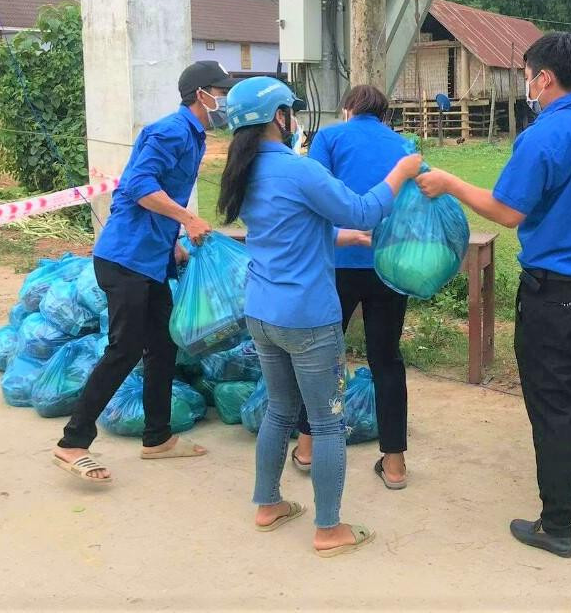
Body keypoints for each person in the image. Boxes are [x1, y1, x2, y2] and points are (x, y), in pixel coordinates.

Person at [417, 32, 571, 558]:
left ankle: (557, 524)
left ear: (543, 78)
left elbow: (507, 211)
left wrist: (451, 183)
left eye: (527, 75)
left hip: (555, 293)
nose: (526, 84)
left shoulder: (542, 137)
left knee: (553, 406)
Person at [216, 76, 421, 556]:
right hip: (307, 318)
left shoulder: (244, 171)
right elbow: (364, 210)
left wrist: (343, 238)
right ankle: (329, 530)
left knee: (280, 410)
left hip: (262, 312)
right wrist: (401, 172)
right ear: (279, 117)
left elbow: (287, 229)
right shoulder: (297, 169)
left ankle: (268, 504)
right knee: (328, 422)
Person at [52, 61, 233, 483]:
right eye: (220, 92)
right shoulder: (169, 131)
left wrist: (172, 242)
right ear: (201, 94)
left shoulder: (195, 136)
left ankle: (157, 437)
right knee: (126, 348)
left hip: (151, 260)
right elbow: (138, 187)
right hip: (125, 261)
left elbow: (150, 197)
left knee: (163, 345)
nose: (225, 100)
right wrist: (188, 219)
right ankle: (72, 443)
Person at [285, 85, 413, 490]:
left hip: (336, 263)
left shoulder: (330, 138)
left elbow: (313, 193)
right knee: (387, 360)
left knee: (321, 356)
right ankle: (395, 465)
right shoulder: (403, 145)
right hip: (389, 265)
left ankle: (307, 448)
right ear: (383, 114)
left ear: (347, 109)